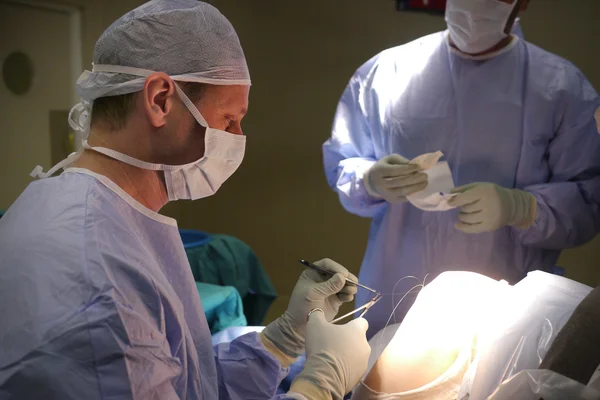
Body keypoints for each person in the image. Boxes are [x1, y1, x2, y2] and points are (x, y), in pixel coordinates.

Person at [0, 1, 371, 399]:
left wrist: (280, 341)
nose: (237, 137)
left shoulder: (94, 211)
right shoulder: (95, 270)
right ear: (160, 99)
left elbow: (187, 386)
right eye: (229, 120)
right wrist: (317, 388)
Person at [323, 0, 600, 337]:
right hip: (396, 303)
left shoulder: (560, 89)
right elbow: (343, 162)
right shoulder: (385, 74)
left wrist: (522, 208)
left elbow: (588, 199)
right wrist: (369, 178)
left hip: (504, 313)